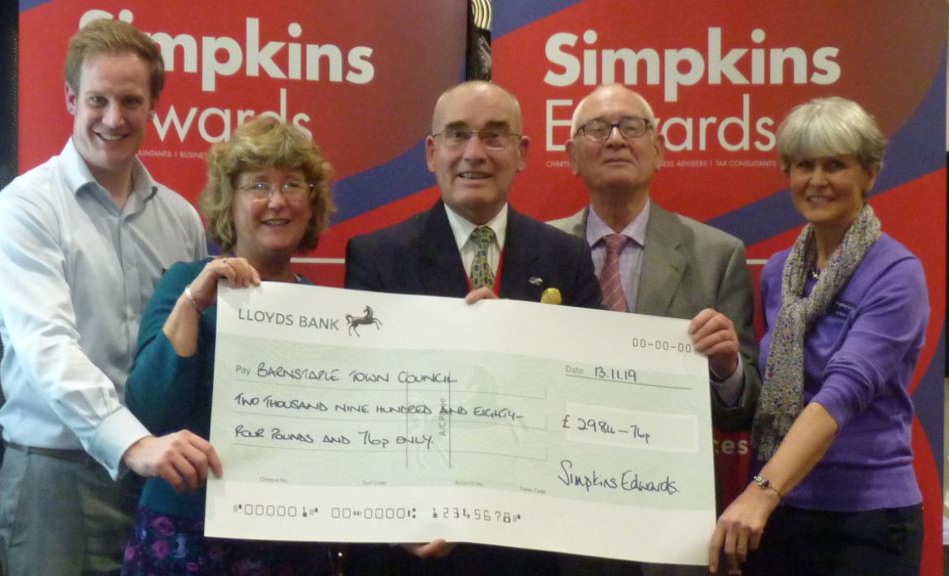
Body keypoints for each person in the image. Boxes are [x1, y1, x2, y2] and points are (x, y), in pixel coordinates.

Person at [0, 19, 216, 576]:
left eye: (131, 100)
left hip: (159, 479)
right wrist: (130, 442)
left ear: (154, 105)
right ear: (71, 99)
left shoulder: (180, 218)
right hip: (56, 480)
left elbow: (183, 349)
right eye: (98, 99)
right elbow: (47, 347)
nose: (114, 119)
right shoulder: (25, 209)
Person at [344, 80, 600, 575]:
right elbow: (362, 406)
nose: (474, 154)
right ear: (431, 151)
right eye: (457, 135)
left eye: (494, 136)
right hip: (419, 548)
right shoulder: (377, 256)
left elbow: (587, 393)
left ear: (523, 152)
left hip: (531, 546)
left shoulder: (566, 256)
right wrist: (399, 522)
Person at [708, 97, 928, 576]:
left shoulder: (897, 273)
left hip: (865, 521)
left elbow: (840, 395)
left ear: (869, 174)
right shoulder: (779, 273)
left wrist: (761, 491)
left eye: (836, 165)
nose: (818, 180)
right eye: (804, 165)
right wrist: (726, 367)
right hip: (782, 513)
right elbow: (776, 390)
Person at [548, 84, 761, 576]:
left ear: (659, 150)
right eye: (597, 128)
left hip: (669, 525)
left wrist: (727, 368)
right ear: (572, 157)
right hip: (562, 518)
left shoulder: (716, 255)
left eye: (633, 126)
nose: (617, 138)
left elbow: (742, 411)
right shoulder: (537, 251)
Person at [121, 116, 337, 575]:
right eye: (258, 185)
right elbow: (149, 410)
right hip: (186, 537)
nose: (277, 201)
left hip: (292, 540)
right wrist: (193, 304)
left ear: (310, 202)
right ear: (229, 202)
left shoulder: (324, 309)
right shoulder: (185, 284)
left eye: (293, 185)